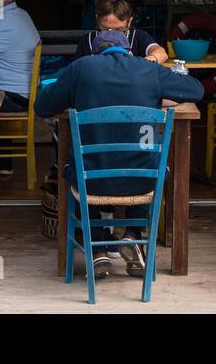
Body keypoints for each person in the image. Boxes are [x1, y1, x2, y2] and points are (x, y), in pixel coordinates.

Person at [35, 28, 204, 279]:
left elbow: (43, 107)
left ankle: (99, 248)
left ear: (97, 52)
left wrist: (76, 94)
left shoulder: (82, 68)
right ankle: (133, 237)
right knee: (149, 164)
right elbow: (195, 91)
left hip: (93, 180)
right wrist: (157, 96)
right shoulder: (149, 69)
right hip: (142, 180)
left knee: (77, 169)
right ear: (128, 50)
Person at [74, 0, 167, 64]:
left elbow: (161, 53)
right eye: (106, 29)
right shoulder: (87, 41)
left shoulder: (138, 36)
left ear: (129, 22)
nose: (111, 34)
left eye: (119, 29)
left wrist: (146, 62)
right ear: (98, 20)